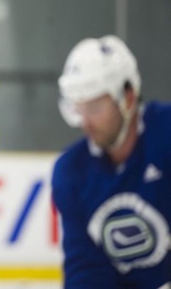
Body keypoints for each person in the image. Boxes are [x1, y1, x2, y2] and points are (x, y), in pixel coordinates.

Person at [52, 35, 171, 288]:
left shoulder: (166, 134)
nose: (85, 122)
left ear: (127, 98)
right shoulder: (71, 171)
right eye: (78, 109)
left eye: (94, 108)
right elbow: (86, 270)